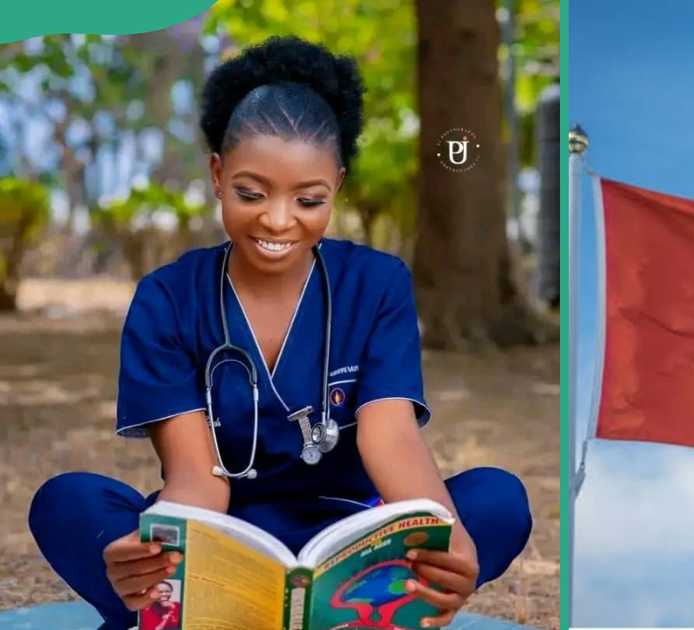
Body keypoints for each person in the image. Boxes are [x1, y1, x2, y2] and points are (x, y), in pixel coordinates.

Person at [27, 36, 531, 630]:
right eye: (251, 192)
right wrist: (154, 558)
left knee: (495, 501)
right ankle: (192, 605)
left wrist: (445, 532)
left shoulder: (377, 283)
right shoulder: (167, 298)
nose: (278, 219)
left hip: (352, 538)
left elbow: (390, 438)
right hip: (224, 540)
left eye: (308, 199)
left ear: (336, 187)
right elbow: (198, 477)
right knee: (70, 503)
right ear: (217, 174)